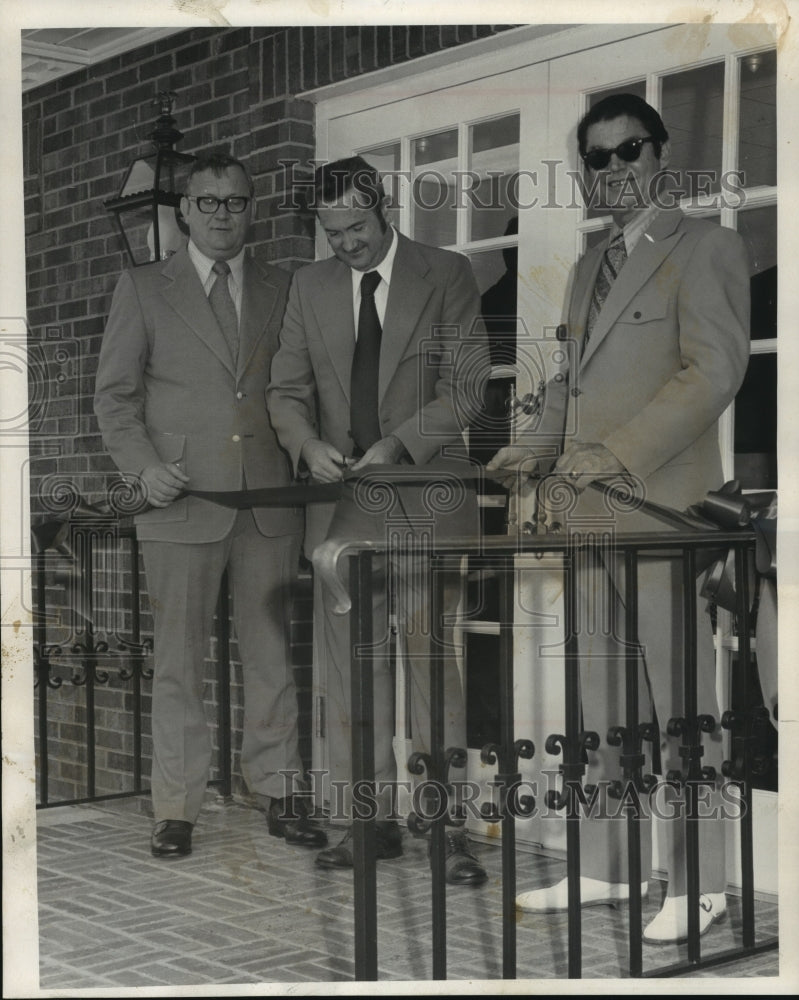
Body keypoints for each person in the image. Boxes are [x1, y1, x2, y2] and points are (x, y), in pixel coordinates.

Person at [488, 94, 750, 942]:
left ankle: (704, 882)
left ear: (658, 152)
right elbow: (572, 385)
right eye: (597, 158)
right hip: (584, 513)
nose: (614, 169)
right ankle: (608, 863)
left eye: (627, 150)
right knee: (598, 701)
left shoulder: (703, 246)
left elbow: (713, 372)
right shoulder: (585, 264)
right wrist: (531, 442)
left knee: (679, 709)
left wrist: (618, 451)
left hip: (660, 511)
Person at [94, 150, 326, 858]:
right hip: (179, 501)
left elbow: (300, 385)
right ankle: (176, 808)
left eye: (236, 202)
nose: (223, 214)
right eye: (209, 202)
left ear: (249, 209)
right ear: (185, 211)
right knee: (178, 663)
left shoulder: (284, 285)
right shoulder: (142, 288)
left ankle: (279, 792)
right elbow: (115, 397)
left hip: (266, 505)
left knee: (271, 658)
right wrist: (142, 469)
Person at [267, 156, 492, 884]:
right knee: (349, 673)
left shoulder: (446, 272)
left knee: (431, 671)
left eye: (356, 228)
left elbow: (466, 386)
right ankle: (363, 824)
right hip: (344, 509)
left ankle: (447, 829)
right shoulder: (309, 286)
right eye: (331, 233)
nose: (346, 245)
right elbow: (285, 392)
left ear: (383, 209)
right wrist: (307, 445)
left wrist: (399, 444)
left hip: (426, 496)